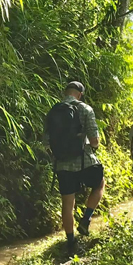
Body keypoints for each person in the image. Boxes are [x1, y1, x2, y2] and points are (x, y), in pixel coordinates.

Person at [44, 81, 105, 254]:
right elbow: (94, 141)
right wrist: (92, 144)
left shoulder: (53, 111)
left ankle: (71, 242)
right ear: (79, 94)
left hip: (62, 164)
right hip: (85, 161)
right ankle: (85, 220)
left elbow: (46, 143)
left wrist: (59, 155)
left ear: (65, 93)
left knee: (67, 203)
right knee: (100, 184)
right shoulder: (85, 109)